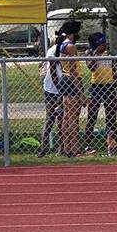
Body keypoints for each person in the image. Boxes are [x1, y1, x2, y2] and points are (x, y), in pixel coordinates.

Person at [40, 20, 79, 156]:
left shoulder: (64, 47)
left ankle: (63, 148)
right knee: (51, 118)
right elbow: (51, 70)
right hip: (53, 88)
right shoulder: (53, 50)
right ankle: (43, 147)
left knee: (63, 118)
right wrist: (59, 89)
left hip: (63, 86)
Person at [83, 32, 117, 155]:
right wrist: (95, 53)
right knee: (92, 116)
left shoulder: (109, 53)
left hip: (109, 86)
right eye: (103, 44)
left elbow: (114, 70)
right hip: (96, 87)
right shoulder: (89, 53)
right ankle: (88, 145)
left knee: (111, 117)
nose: (105, 46)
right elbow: (91, 68)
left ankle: (112, 144)